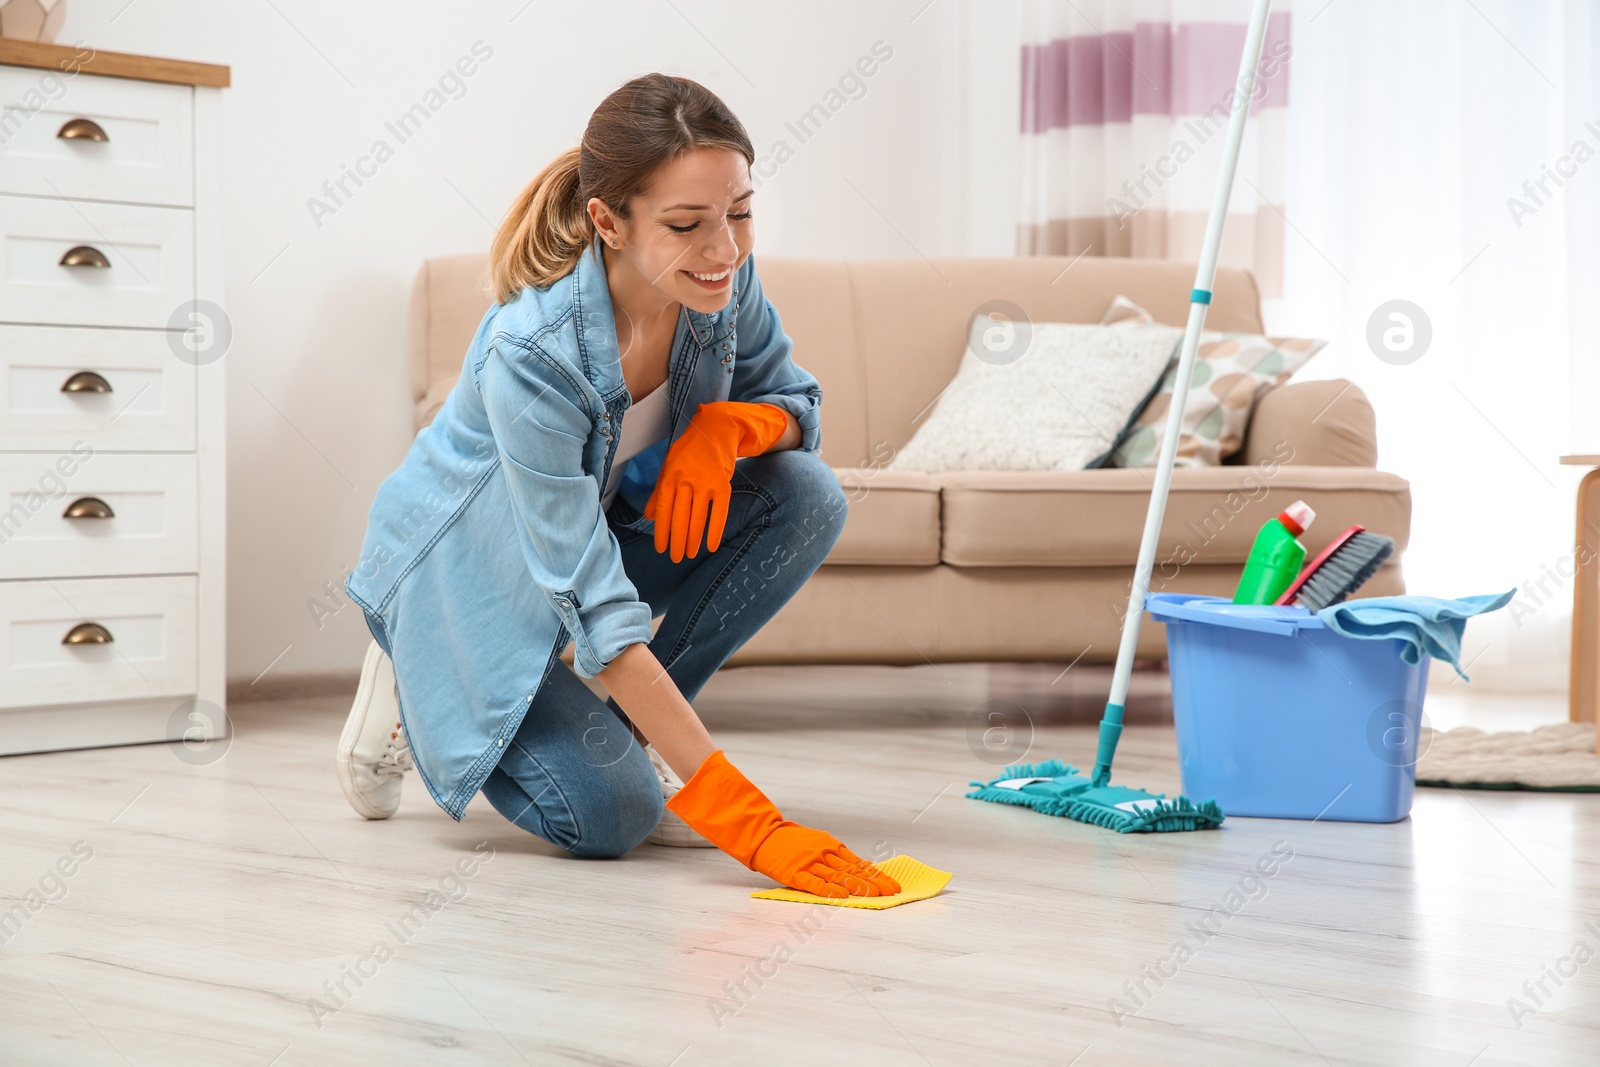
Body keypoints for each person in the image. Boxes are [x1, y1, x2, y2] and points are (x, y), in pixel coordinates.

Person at [334, 72, 899, 900]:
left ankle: (634, 738)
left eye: (739, 211)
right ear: (609, 221)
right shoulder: (534, 352)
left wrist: (726, 430)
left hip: (592, 537)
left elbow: (797, 403)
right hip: (469, 582)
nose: (725, 249)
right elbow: (594, 601)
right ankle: (409, 665)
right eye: (687, 224)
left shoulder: (721, 284)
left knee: (803, 495)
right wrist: (747, 819)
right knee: (611, 817)